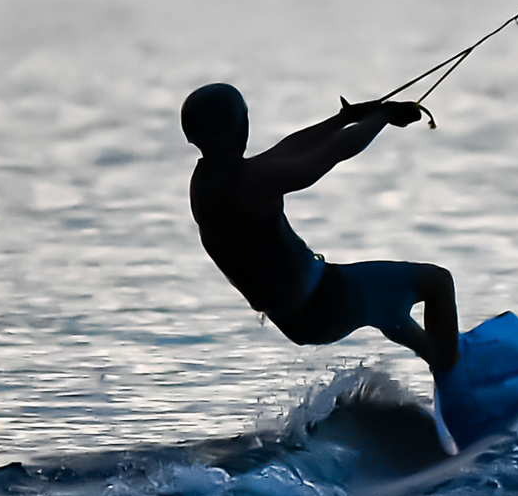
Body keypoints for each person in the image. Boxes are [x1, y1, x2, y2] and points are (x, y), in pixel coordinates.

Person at [180, 83, 462, 439]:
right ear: (242, 127)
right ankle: (459, 397)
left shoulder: (207, 182)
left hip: (296, 319)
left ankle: (444, 360)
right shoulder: (252, 181)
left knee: (388, 310)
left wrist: (344, 118)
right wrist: (382, 118)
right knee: (436, 282)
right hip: (326, 300)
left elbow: (288, 149)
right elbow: (331, 154)